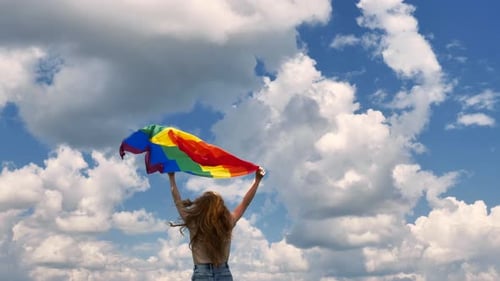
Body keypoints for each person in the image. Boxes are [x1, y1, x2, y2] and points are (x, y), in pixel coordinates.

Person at [168, 167, 266, 281]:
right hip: (223, 272)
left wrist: (171, 177)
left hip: (202, 273)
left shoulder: (194, 223)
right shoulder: (228, 221)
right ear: (221, 207)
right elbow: (245, 203)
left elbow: (177, 201)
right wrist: (257, 180)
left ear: (202, 206)